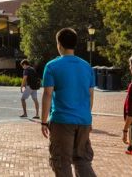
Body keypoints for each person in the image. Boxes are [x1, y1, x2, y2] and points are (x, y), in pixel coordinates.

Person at [40, 28, 96, 177]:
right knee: (82, 160)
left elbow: (47, 94)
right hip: (84, 120)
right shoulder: (86, 66)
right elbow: (90, 95)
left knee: (61, 161)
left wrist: (43, 121)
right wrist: (87, 117)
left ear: (59, 44)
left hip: (62, 120)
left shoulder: (52, 66)